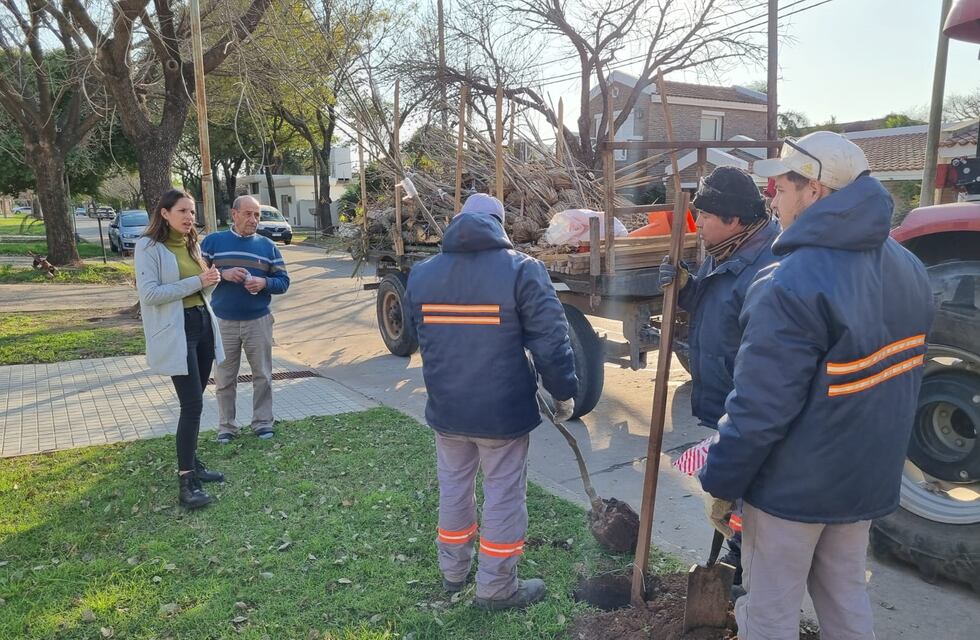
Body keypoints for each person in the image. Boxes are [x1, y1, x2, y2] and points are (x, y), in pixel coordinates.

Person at [699, 131, 934, 639]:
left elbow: (758, 411)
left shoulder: (788, 282)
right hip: (863, 482)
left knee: (770, 610)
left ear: (816, 191)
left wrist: (720, 482)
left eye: (781, 186)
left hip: (792, 492)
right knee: (845, 595)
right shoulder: (912, 269)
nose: (771, 197)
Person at [404, 193, 578, 611]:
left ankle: (453, 572)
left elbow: (416, 333)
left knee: (454, 488)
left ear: (457, 220)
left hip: (447, 408)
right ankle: (497, 588)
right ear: (500, 226)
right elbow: (552, 341)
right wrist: (564, 391)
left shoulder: (423, 273)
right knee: (502, 492)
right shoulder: (522, 270)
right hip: (502, 413)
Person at [659, 167, 780, 582]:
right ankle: (735, 564)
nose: (698, 226)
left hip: (745, 409)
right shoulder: (726, 250)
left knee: (748, 498)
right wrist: (687, 287)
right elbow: (718, 308)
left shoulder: (769, 265)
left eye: (706, 217)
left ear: (734, 219)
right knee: (733, 503)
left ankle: (747, 578)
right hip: (724, 401)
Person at [135, 189, 226, 509]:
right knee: (192, 405)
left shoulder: (192, 244)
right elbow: (150, 294)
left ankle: (193, 461)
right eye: (183, 211)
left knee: (196, 400)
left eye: (192, 212)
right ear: (164, 213)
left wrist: (211, 278)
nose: (190, 217)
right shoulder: (148, 247)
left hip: (202, 324)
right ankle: (187, 482)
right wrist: (198, 281)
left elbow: (202, 288)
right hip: (177, 331)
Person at [201, 196, 290, 443]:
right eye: (249, 214)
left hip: (258, 321)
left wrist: (264, 283)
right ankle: (226, 427)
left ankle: (262, 423)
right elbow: (197, 275)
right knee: (224, 378)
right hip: (223, 321)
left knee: (262, 375)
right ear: (234, 214)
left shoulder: (268, 246)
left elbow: (283, 282)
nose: (254, 220)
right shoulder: (213, 242)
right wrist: (222, 274)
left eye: (257, 215)